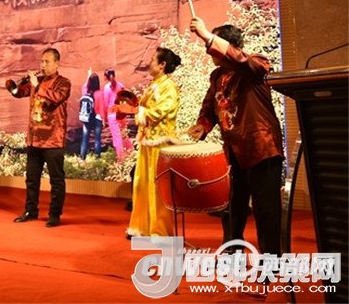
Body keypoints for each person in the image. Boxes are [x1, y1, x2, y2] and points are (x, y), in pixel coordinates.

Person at [187, 16, 283, 257]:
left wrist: (206, 35)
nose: (208, 48)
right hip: (236, 152)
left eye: (213, 43)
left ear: (229, 46)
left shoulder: (257, 64)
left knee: (266, 211)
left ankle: (271, 263)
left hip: (262, 148)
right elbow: (210, 106)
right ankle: (232, 253)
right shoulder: (217, 77)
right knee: (232, 209)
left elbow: (240, 61)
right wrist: (203, 125)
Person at [120, 48, 181, 238]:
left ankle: (160, 231)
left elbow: (159, 111)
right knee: (142, 184)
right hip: (148, 141)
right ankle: (141, 228)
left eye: (153, 59)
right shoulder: (154, 85)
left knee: (158, 188)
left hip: (161, 145)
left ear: (162, 65)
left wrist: (134, 111)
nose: (149, 62)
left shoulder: (168, 87)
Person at [9, 48, 71, 227]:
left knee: (56, 180)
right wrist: (16, 86)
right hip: (35, 138)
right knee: (32, 179)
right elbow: (19, 93)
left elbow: (56, 98)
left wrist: (37, 86)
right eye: (42, 61)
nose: (43, 65)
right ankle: (30, 211)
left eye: (47, 62)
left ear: (57, 63)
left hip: (53, 139)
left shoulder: (64, 83)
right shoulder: (37, 81)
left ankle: (54, 215)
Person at [103, 68, 133, 162]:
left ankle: (121, 159)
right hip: (121, 112)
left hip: (112, 114)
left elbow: (106, 103)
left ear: (106, 77)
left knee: (117, 137)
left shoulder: (106, 88)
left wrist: (105, 117)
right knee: (124, 134)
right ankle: (131, 153)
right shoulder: (120, 85)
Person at [79, 70, 106, 160]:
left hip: (87, 118)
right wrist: (104, 120)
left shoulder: (85, 91)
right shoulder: (100, 93)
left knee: (85, 139)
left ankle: (82, 158)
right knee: (97, 139)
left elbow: (84, 85)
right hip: (97, 118)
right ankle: (97, 158)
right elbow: (101, 108)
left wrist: (88, 76)